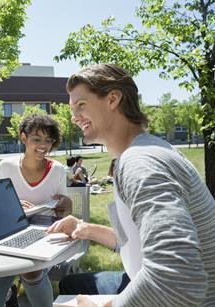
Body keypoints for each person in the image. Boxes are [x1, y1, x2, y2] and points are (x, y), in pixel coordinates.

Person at [47, 63, 215, 306]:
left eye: (81, 105)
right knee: (73, 285)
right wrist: (85, 228)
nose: (74, 117)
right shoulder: (148, 149)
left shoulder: (139, 162)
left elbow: (177, 280)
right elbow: (138, 239)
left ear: (113, 99)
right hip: (153, 281)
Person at [0, 114, 72, 307]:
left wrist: (66, 206)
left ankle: (13, 294)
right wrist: (12, 205)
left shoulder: (58, 170)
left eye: (48, 140)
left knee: (31, 271)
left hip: (45, 233)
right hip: (10, 232)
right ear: (23, 137)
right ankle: (8, 295)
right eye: (36, 139)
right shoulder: (6, 166)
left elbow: (63, 212)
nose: (43, 145)